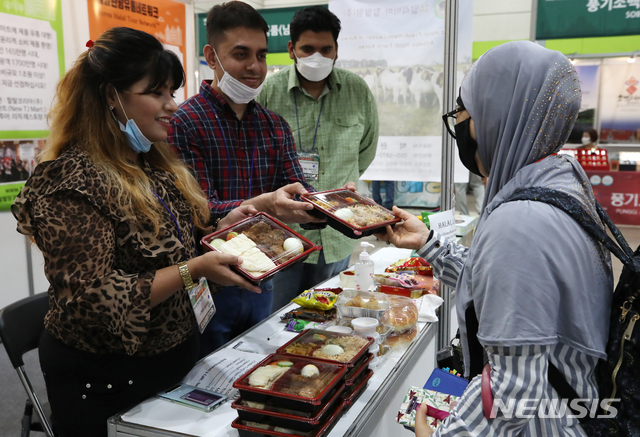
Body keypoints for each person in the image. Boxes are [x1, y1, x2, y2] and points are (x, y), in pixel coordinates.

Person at [11, 27, 261, 437]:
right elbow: (95, 297)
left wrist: (218, 229)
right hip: (108, 375)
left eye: (172, 92)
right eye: (156, 93)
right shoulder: (71, 181)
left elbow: (164, 245)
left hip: (171, 359)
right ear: (111, 96)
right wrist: (193, 270)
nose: (171, 106)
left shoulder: (149, 162)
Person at [378, 41, 612, 436]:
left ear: (498, 116)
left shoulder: (519, 222)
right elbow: (513, 287)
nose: (461, 127)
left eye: (463, 112)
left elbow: (514, 391)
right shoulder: (561, 181)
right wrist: (429, 243)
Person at [168, 2, 324, 357]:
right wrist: (264, 204)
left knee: (256, 365)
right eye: (241, 54)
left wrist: (327, 204)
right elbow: (196, 211)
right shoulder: (185, 122)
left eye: (261, 55)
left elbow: (296, 189)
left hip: (265, 275)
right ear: (211, 56)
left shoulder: (274, 126)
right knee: (204, 378)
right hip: (209, 281)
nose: (254, 67)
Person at [257, 6, 379, 312]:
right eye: (307, 49)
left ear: (336, 50)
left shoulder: (356, 90)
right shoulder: (269, 92)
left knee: (329, 315)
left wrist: (337, 189)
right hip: (282, 233)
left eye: (326, 49)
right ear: (291, 49)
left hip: (338, 233)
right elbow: (258, 154)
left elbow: (366, 148)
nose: (317, 57)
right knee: (279, 317)